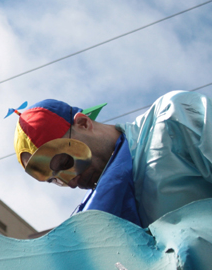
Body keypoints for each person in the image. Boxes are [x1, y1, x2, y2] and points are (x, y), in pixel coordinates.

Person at [13, 90, 212, 227]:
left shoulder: (171, 119)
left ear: (83, 123)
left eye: (65, 163)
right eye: (54, 180)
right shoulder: (95, 222)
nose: (72, 183)